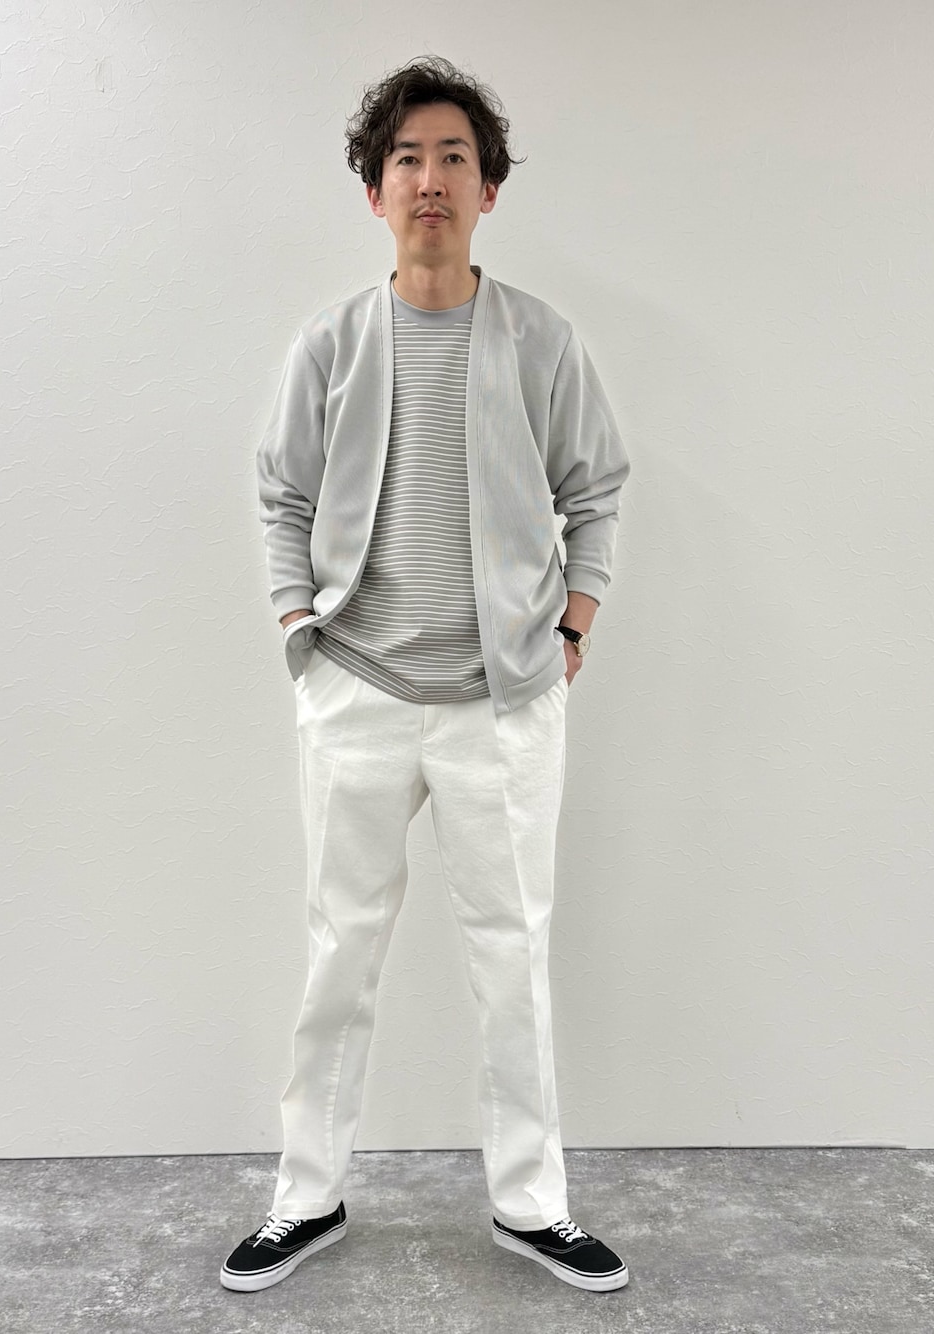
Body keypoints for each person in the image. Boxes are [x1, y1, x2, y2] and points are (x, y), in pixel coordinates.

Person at [221, 55, 631, 1295]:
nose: (430, 178)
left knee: (513, 954)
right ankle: (305, 1193)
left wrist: (571, 628)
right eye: (406, 158)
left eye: (454, 156)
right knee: (338, 949)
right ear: (375, 190)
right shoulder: (332, 342)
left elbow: (596, 488)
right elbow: (281, 491)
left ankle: (531, 1203)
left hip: (504, 702)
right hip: (355, 687)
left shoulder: (540, 340)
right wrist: (299, 627)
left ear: (488, 189)